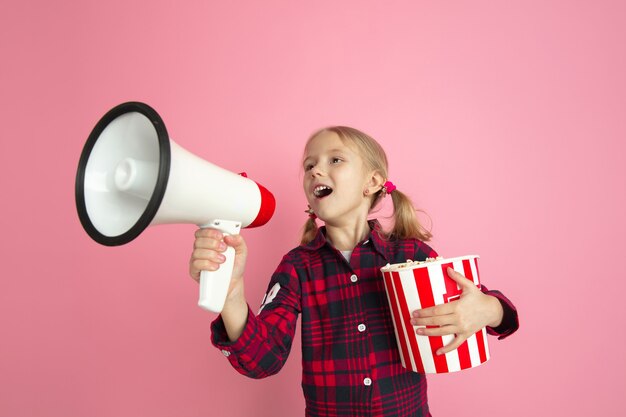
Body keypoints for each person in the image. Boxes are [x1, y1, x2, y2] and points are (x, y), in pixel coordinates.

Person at [189, 126, 519, 417]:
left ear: (372, 182)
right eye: (309, 165)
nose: (316, 169)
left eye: (335, 160)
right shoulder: (296, 267)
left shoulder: (412, 254)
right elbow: (264, 361)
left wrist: (488, 309)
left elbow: (502, 314)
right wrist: (231, 295)